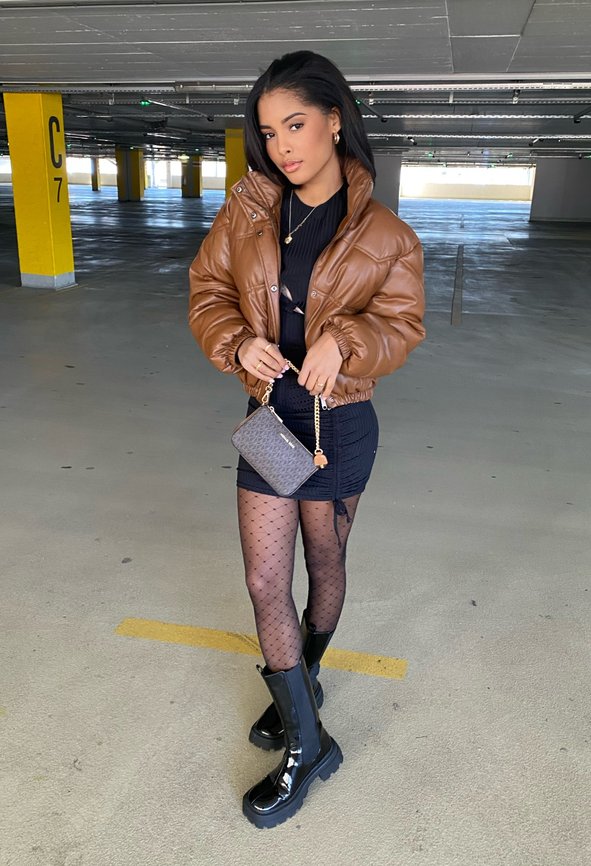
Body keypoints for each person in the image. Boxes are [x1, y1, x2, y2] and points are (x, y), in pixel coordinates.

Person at [188, 50, 425, 829]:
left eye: (295, 124)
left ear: (333, 121)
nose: (283, 145)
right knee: (266, 580)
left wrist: (346, 340)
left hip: (339, 425)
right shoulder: (248, 212)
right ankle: (307, 741)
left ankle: (303, 680)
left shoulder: (386, 234)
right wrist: (236, 341)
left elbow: (401, 326)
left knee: (324, 562)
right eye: (268, 132)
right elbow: (208, 291)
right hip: (271, 420)